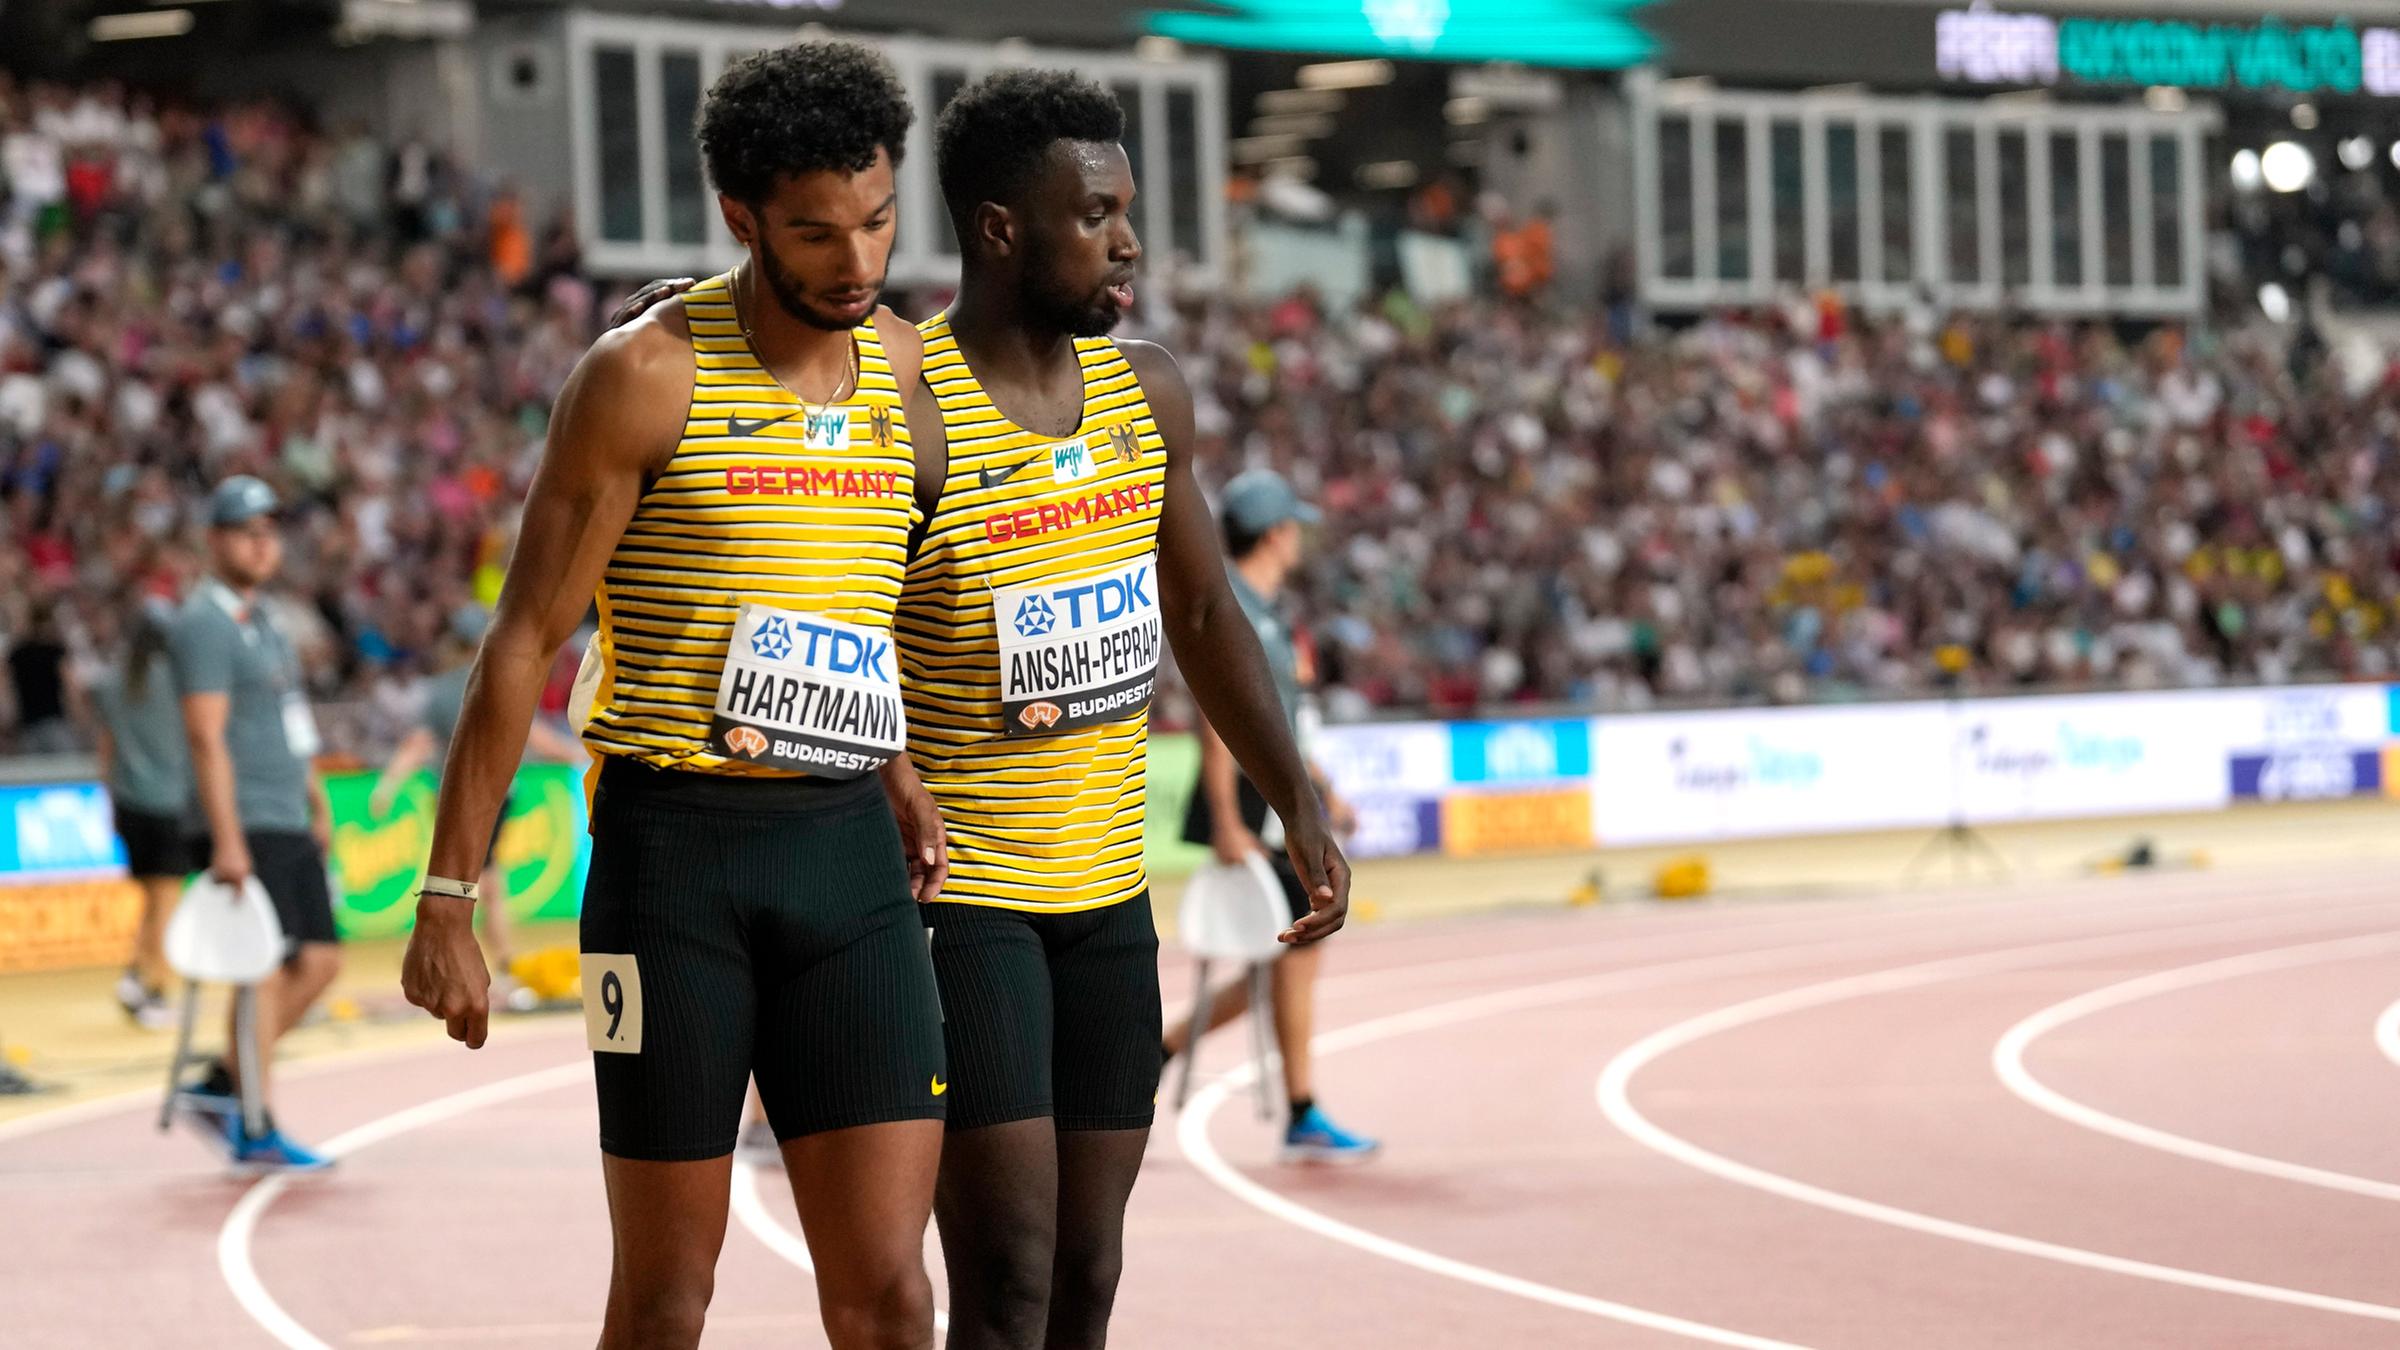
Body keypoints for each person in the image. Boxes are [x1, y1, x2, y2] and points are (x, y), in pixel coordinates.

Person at [399, 42, 953, 1350]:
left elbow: (849, 602)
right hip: (673, 868)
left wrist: (893, 764)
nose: (858, 260)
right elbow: (522, 642)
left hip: (849, 865)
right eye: (816, 233)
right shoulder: (644, 377)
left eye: (876, 221)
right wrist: (446, 897)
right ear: (741, 217)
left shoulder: (914, 377)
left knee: (892, 1293)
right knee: (665, 1299)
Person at [906, 71, 1349, 1350]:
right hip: (966, 907)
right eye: (1094, 213)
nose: (1129, 241)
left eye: (1129, 210)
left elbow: (1207, 619)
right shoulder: (916, 416)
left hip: (1107, 902)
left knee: (1091, 1277)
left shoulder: (1145, 392)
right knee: (1011, 1276)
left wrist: (1297, 804)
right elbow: (845, 627)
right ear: (999, 230)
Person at [1166, 469, 1380, 1163]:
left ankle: (1162, 1050)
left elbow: (1282, 721)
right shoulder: (1240, 610)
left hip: (1276, 797)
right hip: (1255, 806)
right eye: (1295, 527)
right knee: (1302, 942)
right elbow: (1216, 720)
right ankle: (1301, 1111)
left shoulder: (1266, 610)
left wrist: (1322, 792)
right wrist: (1227, 819)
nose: (1299, 540)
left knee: (1283, 955)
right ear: (1277, 533)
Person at [168, 475, 342, 1173]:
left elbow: (289, 719)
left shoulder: (267, 618)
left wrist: (317, 795)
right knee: (262, 974)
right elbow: (207, 737)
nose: (263, 542)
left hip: (285, 811)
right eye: (248, 530)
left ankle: (219, 1083)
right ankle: (256, 1123)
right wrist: (229, 838)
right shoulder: (203, 623)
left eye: (271, 530)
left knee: (322, 964)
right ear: (214, 540)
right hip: (244, 821)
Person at [368, 603, 582, 985]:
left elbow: (417, 745)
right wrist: (579, 754)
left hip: (459, 798)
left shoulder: (439, 691)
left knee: (468, 880)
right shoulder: (500, 679)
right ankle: (495, 961)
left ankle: (490, 961)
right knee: (483, 881)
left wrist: (387, 786)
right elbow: (535, 736)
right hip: (499, 794)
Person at [88, 594, 193, 1030]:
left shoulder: (113, 682)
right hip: (169, 805)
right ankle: (155, 989)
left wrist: (110, 802)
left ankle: (135, 976)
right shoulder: (178, 681)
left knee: (152, 901)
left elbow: (106, 750)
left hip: (130, 805)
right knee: (165, 903)